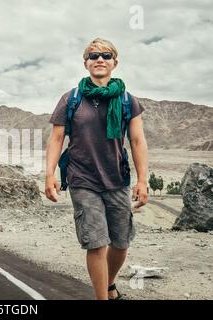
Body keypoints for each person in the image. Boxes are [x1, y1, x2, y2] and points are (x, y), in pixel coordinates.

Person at [45, 38, 148, 300]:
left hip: (117, 179)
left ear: (115, 62)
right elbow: (57, 139)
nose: (99, 59)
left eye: (105, 55)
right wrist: (49, 175)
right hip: (82, 179)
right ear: (86, 63)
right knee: (96, 243)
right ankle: (102, 297)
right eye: (93, 56)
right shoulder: (71, 98)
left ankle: (110, 284)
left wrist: (142, 180)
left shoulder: (127, 100)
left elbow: (137, 141)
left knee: (121, 243)